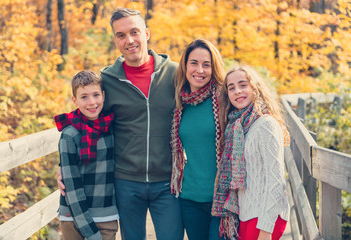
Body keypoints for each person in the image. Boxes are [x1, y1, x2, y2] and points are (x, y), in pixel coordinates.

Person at [57, 8, 184, 240]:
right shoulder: (107, 80)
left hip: (167, 182)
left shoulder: (176, 74)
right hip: (125, 182)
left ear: (146, 33)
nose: (130, 40)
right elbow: (85, 119)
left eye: (134, 32)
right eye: (121, 35)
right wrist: (63, 164)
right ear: (115, 40)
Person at [213, 63, 290, 240]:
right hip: (247, 214)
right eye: (231, 88)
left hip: (265, 217)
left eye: (243, 85)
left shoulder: (266, 125)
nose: (237, 91)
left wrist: (266, 229)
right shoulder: (237, 126)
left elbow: (276, 181)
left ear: (255, 88)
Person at [170, 39, 227, 240]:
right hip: (190, 198)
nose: (200, 70)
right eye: (194, 63)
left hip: (222, 199)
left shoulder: (224, 99)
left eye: (206, 64)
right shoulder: (180, 102)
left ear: (214, 68)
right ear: (185, 66)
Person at [54, 70, 119, 240]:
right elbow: (72, 187)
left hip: (106, 214)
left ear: (103, 96)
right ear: (74, 100)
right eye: (84, 97)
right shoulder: (70, 134)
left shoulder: (112, 128)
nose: (91, 102)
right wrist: (90, 232)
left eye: (96, 95)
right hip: (73, 217)